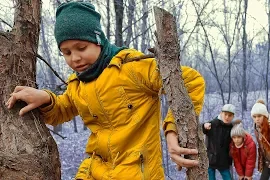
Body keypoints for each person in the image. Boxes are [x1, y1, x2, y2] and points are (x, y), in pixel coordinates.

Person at [6, 1, 205, 179]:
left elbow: (191, 81)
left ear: (98, 39)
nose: (74, 58)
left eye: (81, 48)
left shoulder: (131, 67)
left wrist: (173, 132)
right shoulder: (78, 84)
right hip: (94, 170)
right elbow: (63, 109)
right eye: (66, 52)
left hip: (137, 172)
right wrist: (47, 99)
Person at [202, 104, 236, 180]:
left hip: (224, 160)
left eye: (230, 115)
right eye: (225, 114)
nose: (227, 117)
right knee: (210, 178)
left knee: (228, 177)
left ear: (233, 116)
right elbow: (203, 129)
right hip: (211, 158)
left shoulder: (232, 128)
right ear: (221, 113)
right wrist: (204, 126)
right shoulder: (214, 123)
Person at [251, 99, 270, 180]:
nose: (257, 119)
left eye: (259, 116)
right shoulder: (257, 128)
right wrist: (261, 162)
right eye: (254, 117)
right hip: (268, 161)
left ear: (265, 116)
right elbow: (261, 148)